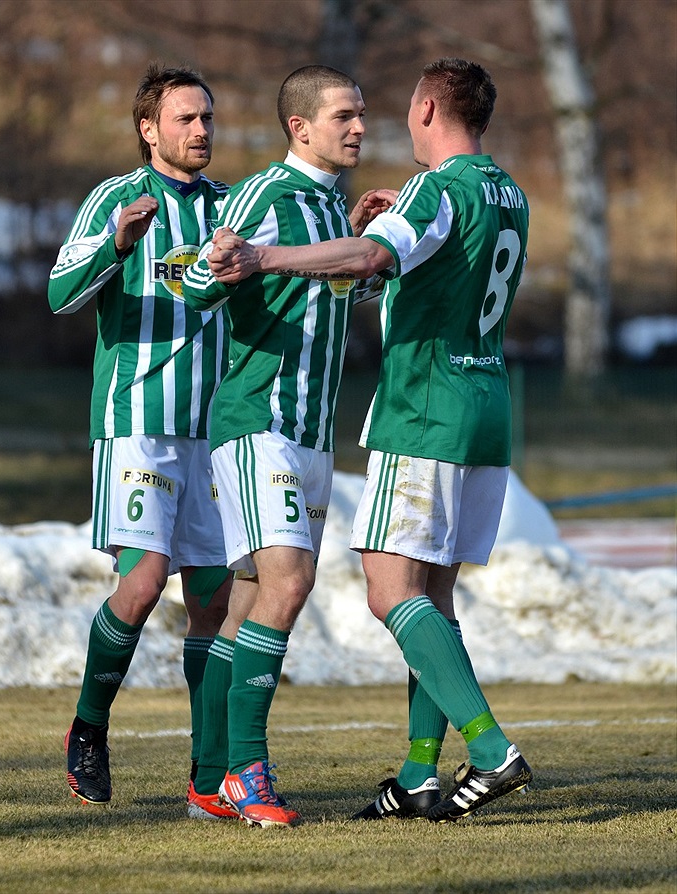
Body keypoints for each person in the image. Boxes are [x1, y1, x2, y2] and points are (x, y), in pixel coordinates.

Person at [208, 57, 533, 824]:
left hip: (425, 408)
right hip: (487, 403)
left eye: (379, 111)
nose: (366, 127)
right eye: (346, 116)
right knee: (432, 595)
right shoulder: (510, 190)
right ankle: (419, 773)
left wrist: (265, 256)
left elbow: (373, 257)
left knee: (391, 592)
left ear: (425, 107)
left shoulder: (436, 188)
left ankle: (488, 748)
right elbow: (426, 268)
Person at [181, 64, 394, 828]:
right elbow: (199, 277)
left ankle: (210, 779)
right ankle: (247, 773)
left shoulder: (326, 205)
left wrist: (359, 250)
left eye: (361, 114)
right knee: (289, 583)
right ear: (301, 128)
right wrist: (213, 266)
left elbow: (322, 299)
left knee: (244, 609)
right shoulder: (269, 194)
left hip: (310, 434)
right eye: (345, 115)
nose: (359, 127)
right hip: (258, 422)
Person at [48, 63, 233, 807]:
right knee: (146, 580)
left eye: (208, 119)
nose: (201, 132)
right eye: (186, 119)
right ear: (148, 129)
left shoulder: (233, 207)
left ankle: (207, 773)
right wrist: (117, 246)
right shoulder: (115, 199)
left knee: (215, 601)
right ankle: (87, 728)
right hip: (137, 424)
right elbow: (61, 295)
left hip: (217, 432)